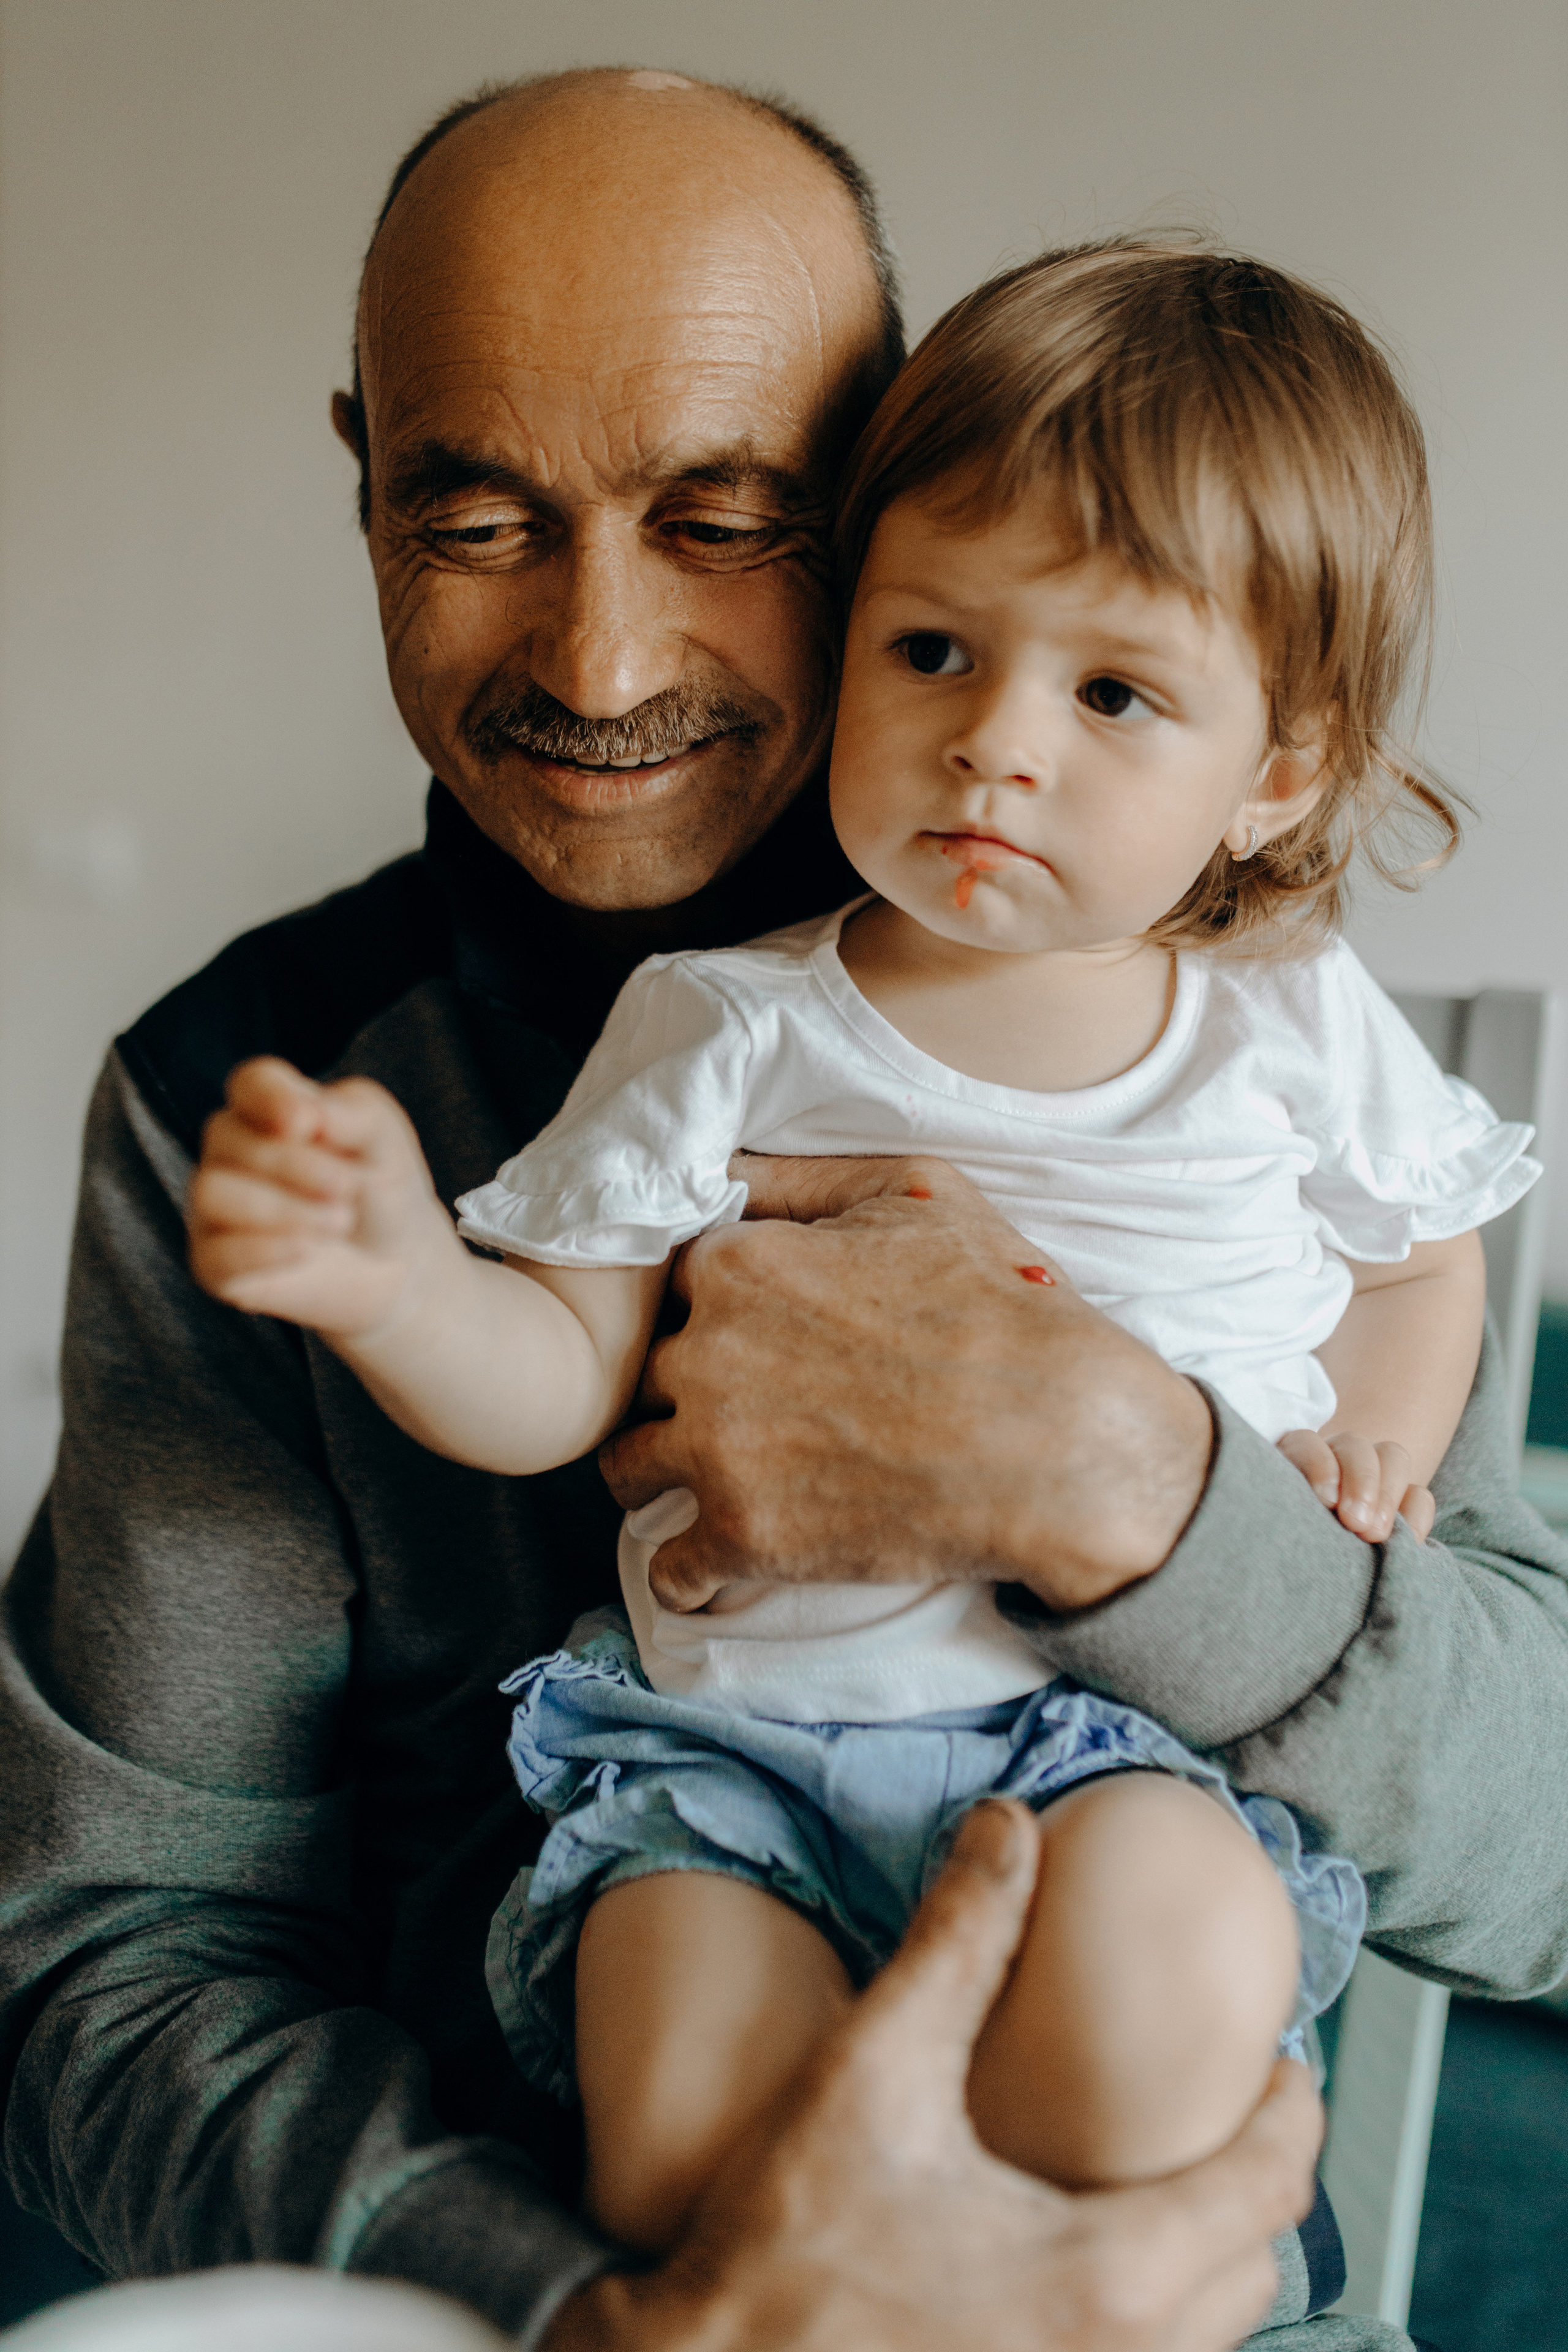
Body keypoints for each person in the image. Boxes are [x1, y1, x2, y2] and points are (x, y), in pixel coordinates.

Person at [1, 66, 1564, 2352]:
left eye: (729, 520)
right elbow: (118, 1972)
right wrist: (630, 2312)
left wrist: (1122, 1480)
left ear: (885, 486)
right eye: (476, 517)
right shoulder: (261, 1092)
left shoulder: (1265, 1057)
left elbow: (1546, 1854)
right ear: (364, 493)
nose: (605, 662)